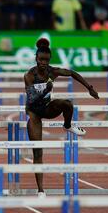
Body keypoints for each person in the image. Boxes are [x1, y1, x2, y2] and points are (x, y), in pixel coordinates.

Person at [24, 38, 99, 198]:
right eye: (40, 60)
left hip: (46, 108)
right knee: (38, 152)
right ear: (36, 59)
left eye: (46, 60)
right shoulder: (30, 75)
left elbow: (72, 73)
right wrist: (46, 90)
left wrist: (89, 88)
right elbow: (30, 99)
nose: (43, 63)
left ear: (49, 60)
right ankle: (41, 190)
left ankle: (67, 125)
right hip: (34, 113)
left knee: (67, 104)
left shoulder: (52, 71)